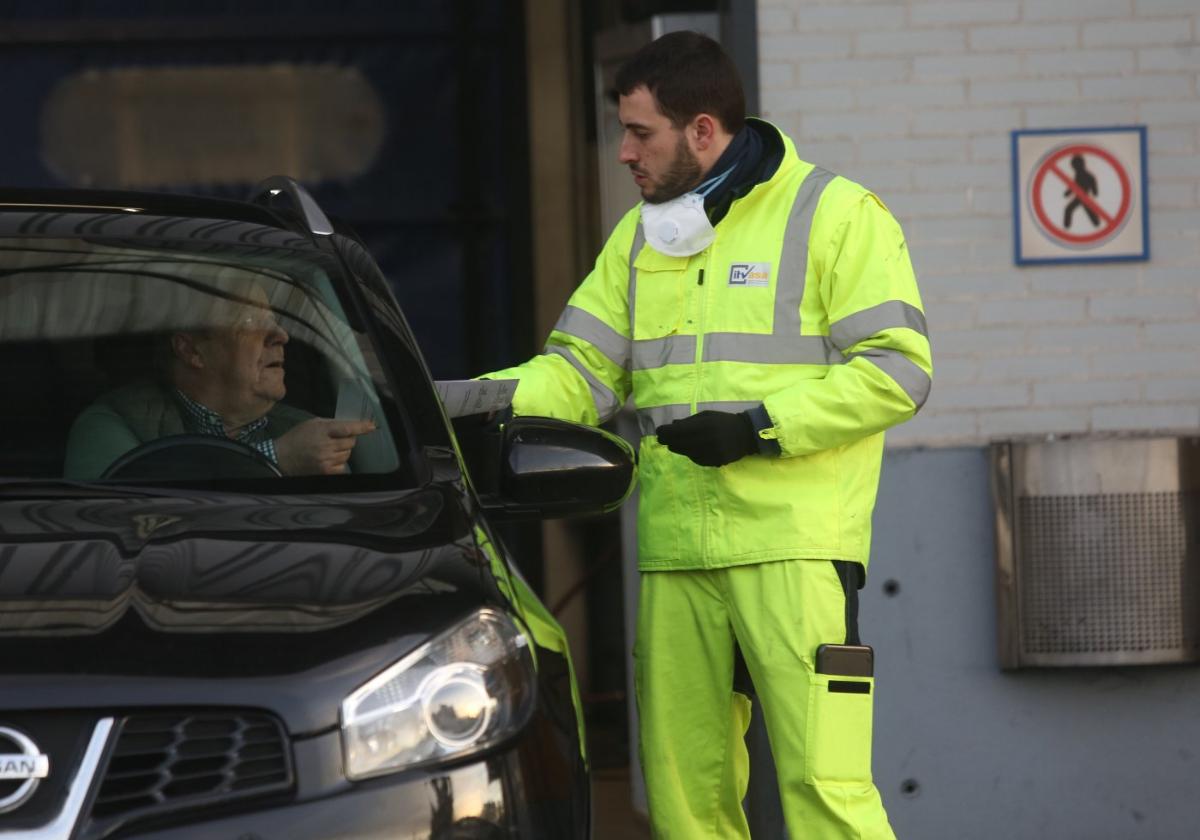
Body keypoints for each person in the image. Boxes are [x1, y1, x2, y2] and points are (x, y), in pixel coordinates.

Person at [481, 31, 931, 839]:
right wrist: (464, 399)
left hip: (793, 551)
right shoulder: (639, 237)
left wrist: (762, 427)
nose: (622, 153)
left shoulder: (835, 214)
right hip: (678, 553)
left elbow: (898, 371)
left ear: (700, 131)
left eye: (639, 132)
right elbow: (578, 373)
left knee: (826, 792)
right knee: (688, 802)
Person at [64, 283, 375, 479]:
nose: (281, 335)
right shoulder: (113, 423)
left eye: (274, 320)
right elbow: (128, 519)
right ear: (191, 350)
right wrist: (277, 459)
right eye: (251, 321)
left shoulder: (304, 431)